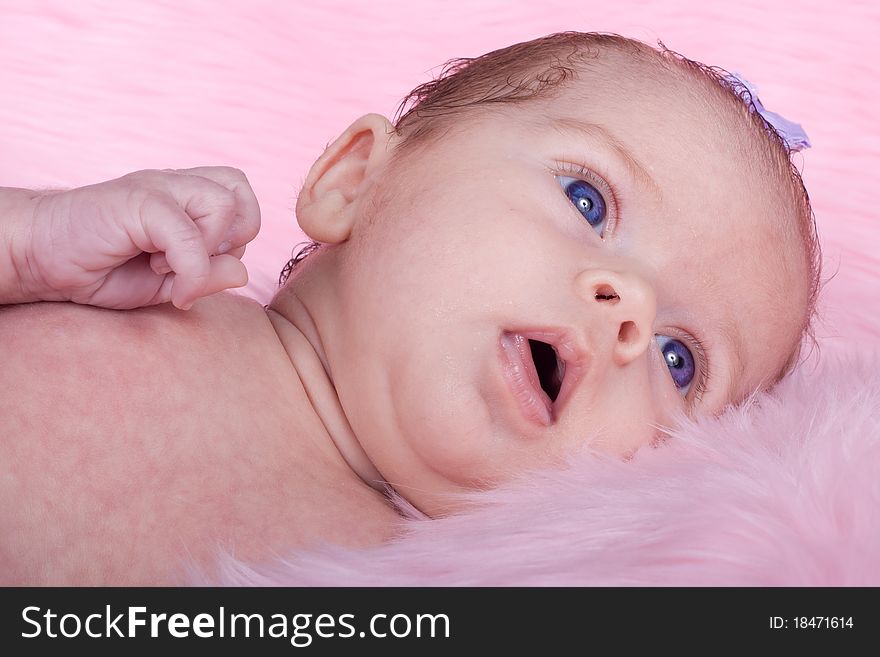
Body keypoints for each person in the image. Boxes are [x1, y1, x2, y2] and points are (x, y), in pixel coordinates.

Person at [0, 32, 820, 585]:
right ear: (355, 181)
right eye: (587, 198)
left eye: (680, 359)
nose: (630, 308)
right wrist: (26, 243)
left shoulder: (417, 580)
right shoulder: (113, 282)